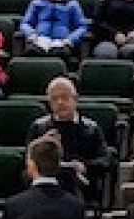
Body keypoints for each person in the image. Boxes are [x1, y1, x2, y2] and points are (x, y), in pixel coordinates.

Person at [26, 76, 109, 207]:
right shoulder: (39, 128)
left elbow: (105, 161)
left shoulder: (91, 129)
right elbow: (29, 164)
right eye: (54, 99)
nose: (60, 102)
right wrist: (44, 146)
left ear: (75, 98)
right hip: (45, 187)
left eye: (64, 97)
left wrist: (84, 166)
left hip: (79, 187)